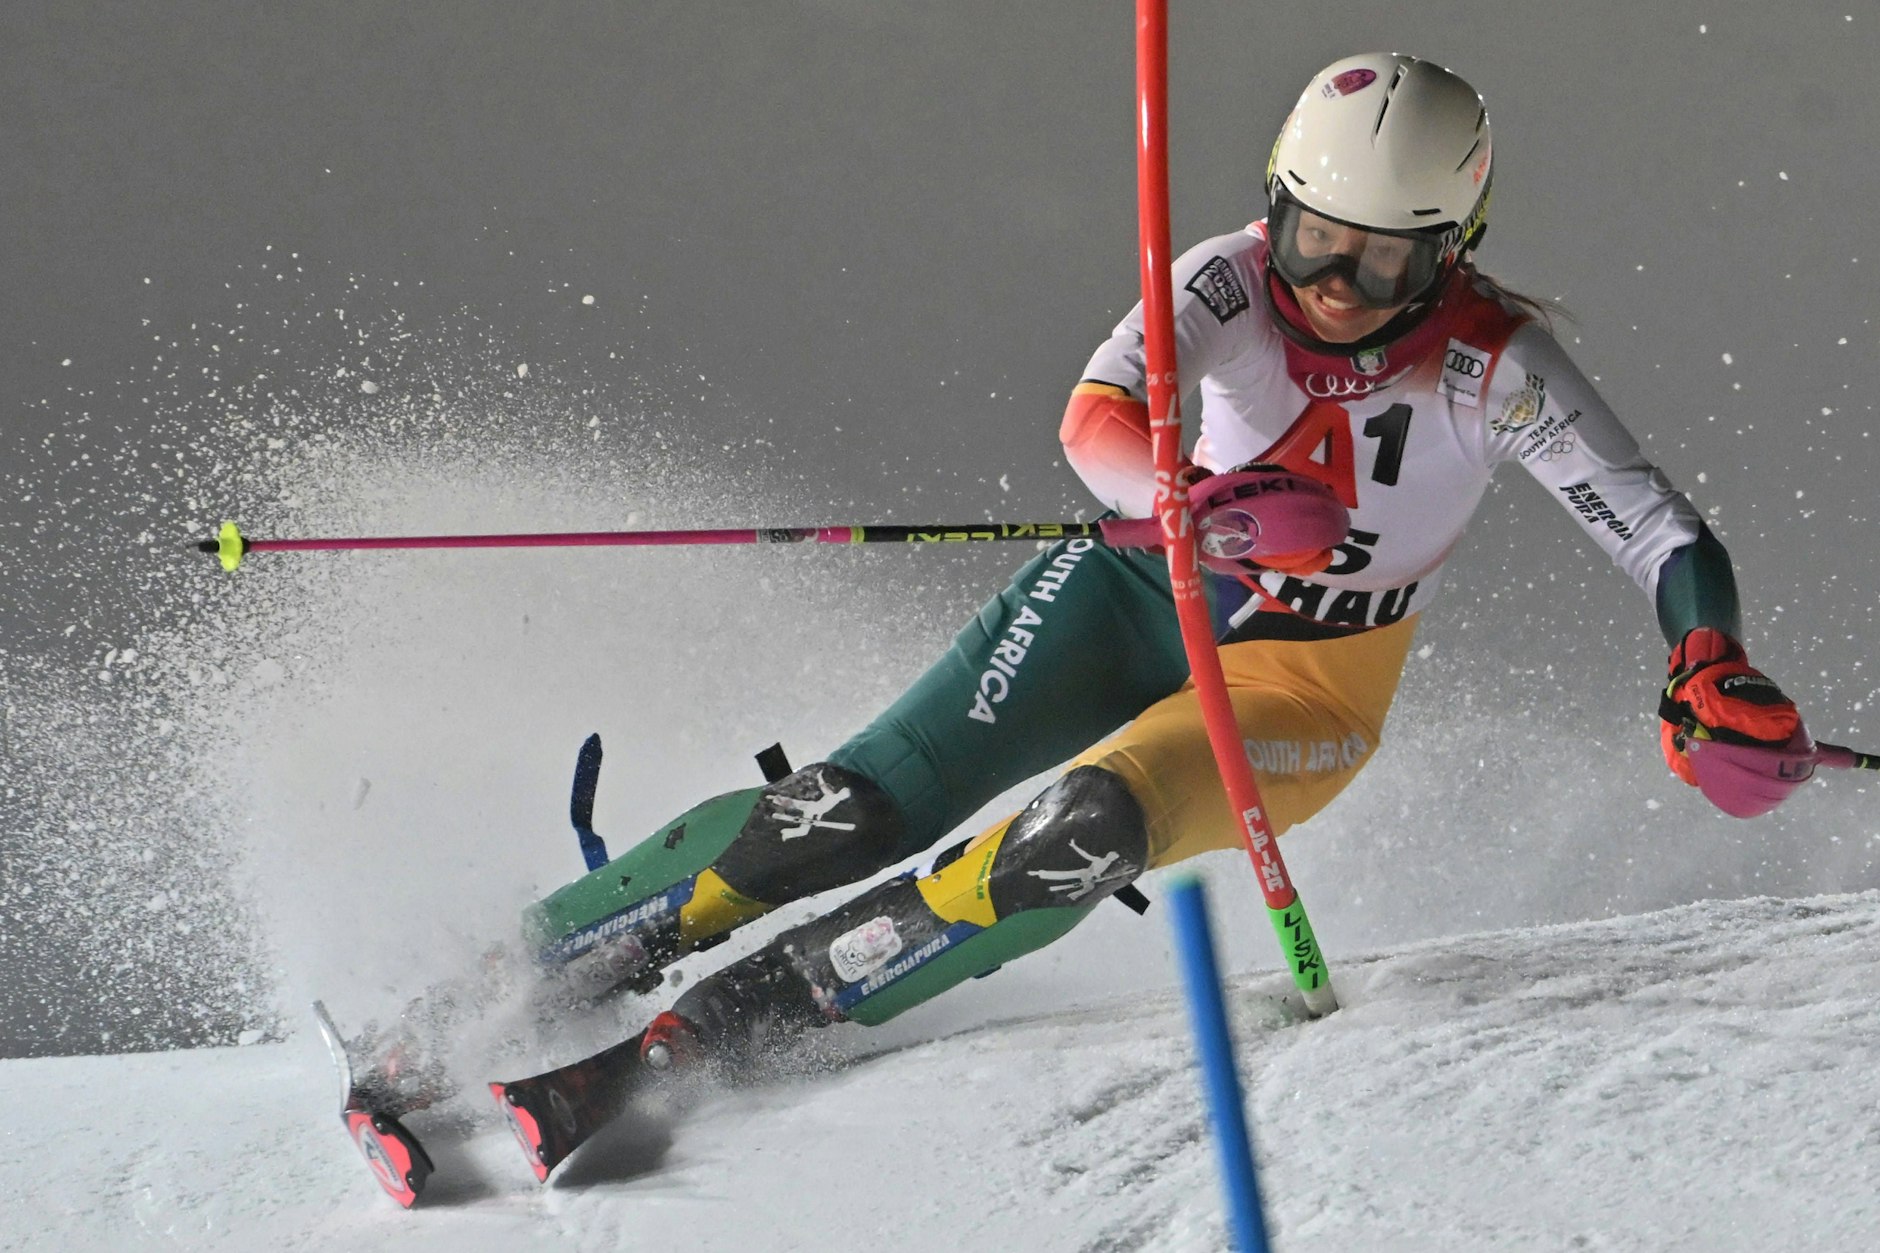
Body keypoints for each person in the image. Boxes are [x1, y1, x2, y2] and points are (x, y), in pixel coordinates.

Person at [521, 51, 1810, 1071]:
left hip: (1310, 679)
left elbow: (1659, 530)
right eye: (1316, 239)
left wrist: (1707, 660)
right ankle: (530, 971)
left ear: (1454, 243)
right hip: (1133, 588)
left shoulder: (1495, 366)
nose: (1342, 285)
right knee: (846, 810)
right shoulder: (1226, 284)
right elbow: (1092, 418)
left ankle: (723, 1036)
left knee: (1076, 834)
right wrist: (1186, 504)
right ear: (1275, 205)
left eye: (1388, 255)